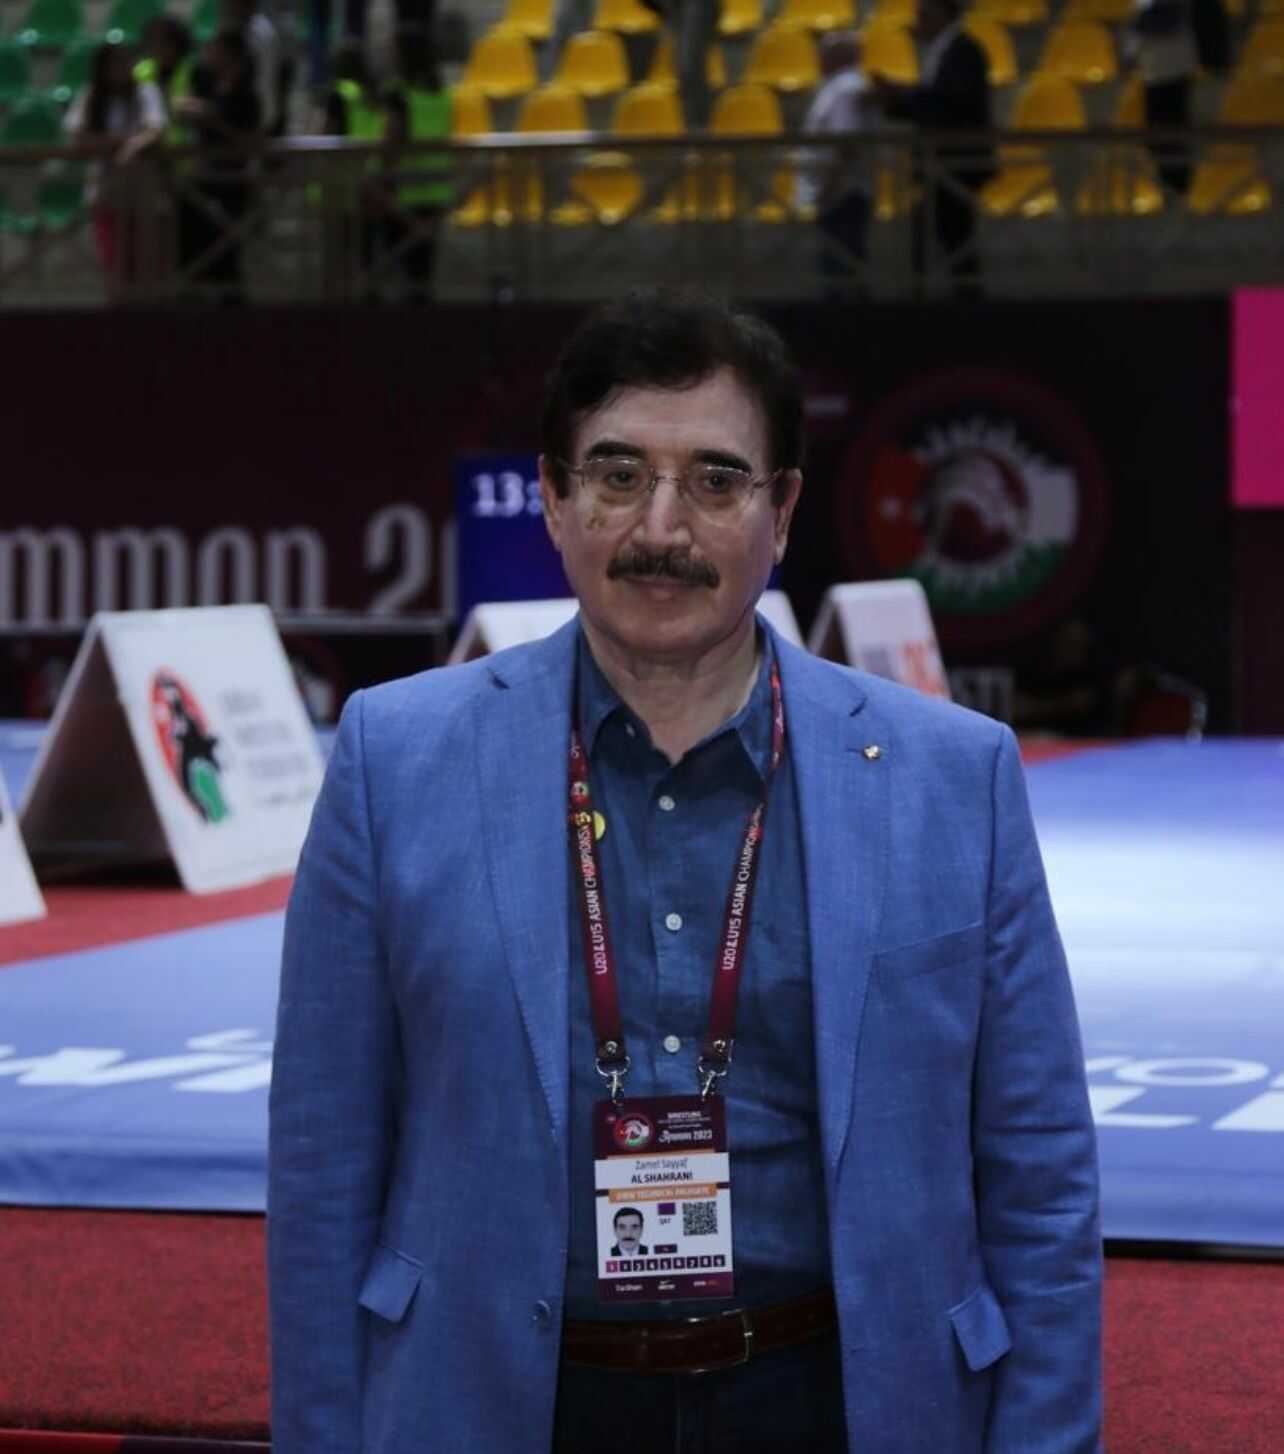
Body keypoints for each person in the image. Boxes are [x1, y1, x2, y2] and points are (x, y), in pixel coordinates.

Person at [269, 289, 1103, 1454]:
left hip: (843, 1399)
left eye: (715, 480)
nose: (660, 528)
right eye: (617, 476)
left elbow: (1041, 1178)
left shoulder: (954, 777)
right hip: (500, 1401)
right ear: (553, 499)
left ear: (783, 510)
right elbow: (323, 1166)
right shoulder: (393, 759)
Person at [873, 0, 992, 294]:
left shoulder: (964, 50)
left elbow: (952, 103)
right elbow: (934, 104)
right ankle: (958, 297)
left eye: (925, 14)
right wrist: (896, 101)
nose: (919, 21)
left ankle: (947, 299)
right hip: (941, 165)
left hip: (956, 163)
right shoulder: (943, 51)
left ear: (945, 14)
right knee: (949, 239)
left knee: (944, 238)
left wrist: (903, 94)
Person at [63, 41, 166, 294]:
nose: (119, 69)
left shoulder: (146, 92)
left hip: (141, 191)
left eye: (123, 63)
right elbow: (77, 135)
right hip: (105, 190)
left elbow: (155, 129)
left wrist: (132, 147)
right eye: (113, 64)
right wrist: (119, 143)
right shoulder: (91, 95)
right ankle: (117, 306)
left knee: (145, 263)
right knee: (113, 261)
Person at [174, 30, 261, 301]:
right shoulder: (205, 83)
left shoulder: (247, 96)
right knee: (192, 247)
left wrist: (215, 121)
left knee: (226, 249)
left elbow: (248, 140)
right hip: (202, 178)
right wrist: (199, 110)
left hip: (232, 181)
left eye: (216, 49)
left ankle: (230, 302)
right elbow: (181, 106)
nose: (209, 54)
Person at [798, 30, 874, 292]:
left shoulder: (845, 89)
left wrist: (829, 186)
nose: (819, 58)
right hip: (839, 191)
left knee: (841, 274)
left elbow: (847, 142)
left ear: (840, 57)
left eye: (824, 53)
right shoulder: (838, 86)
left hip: (842, 193)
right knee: (840, 269)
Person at [1126, 0, 1200, 195]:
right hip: (1156, 73)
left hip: (1172, 73)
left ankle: (1178, 186)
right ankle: (1167, 186)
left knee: (1174, 136)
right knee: (1160, 138)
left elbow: (1157, 25)